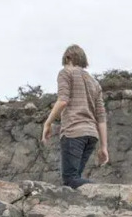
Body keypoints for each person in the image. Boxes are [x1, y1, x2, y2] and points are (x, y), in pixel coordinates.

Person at [41, 45, 109, 188]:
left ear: (68, 58)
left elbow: (63, 101)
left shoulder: (66, 73)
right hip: (91, 136)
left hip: (74, 132)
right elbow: (101, 117)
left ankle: (101, 190)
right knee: (75, 179)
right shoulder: (95, 83)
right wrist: (103, 147)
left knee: (70, 180)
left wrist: (47, 123)